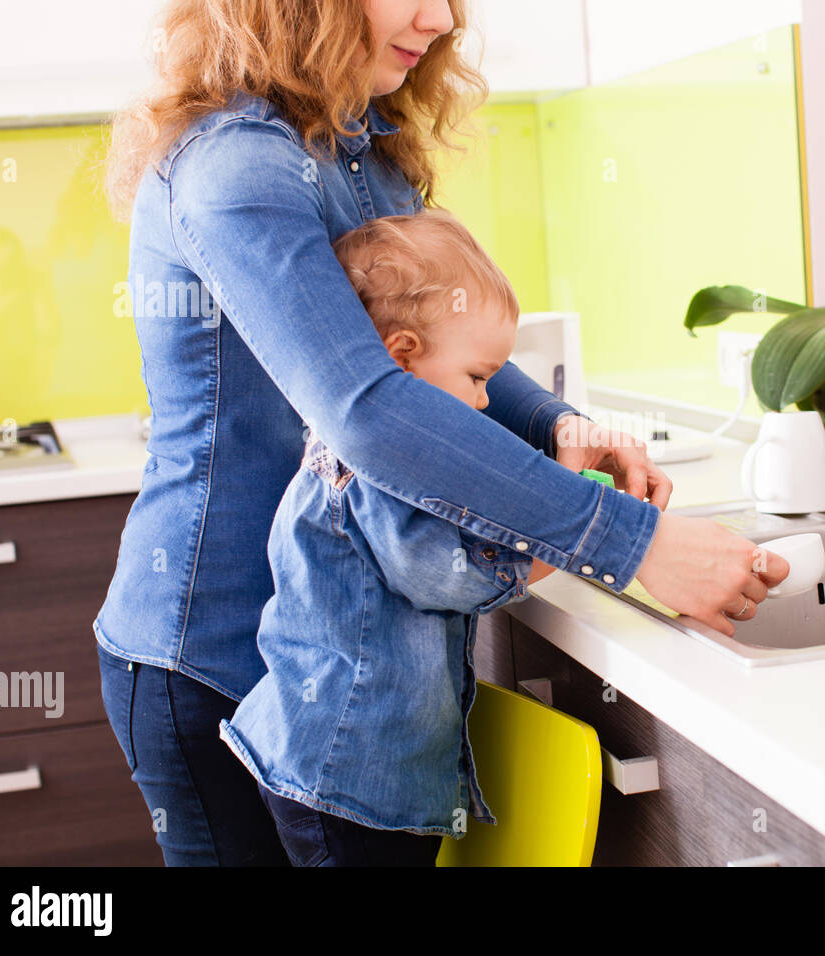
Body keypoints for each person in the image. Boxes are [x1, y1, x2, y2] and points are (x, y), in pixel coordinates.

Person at [95, 0, 789, 867]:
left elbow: (440, 349)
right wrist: (630, 539)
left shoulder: (365, 156)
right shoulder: (231, 168)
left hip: (335, 653)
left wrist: (558, 423)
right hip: (213, 656)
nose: (441, 15)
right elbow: (370, 408)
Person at [221, 208, 573, 866]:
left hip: (325, 757)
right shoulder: (382, 468)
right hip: (350, 781)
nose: (486, 402)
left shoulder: (347, 438)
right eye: (477, 377)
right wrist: (567, 539)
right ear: (402, 355)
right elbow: (451, 571)